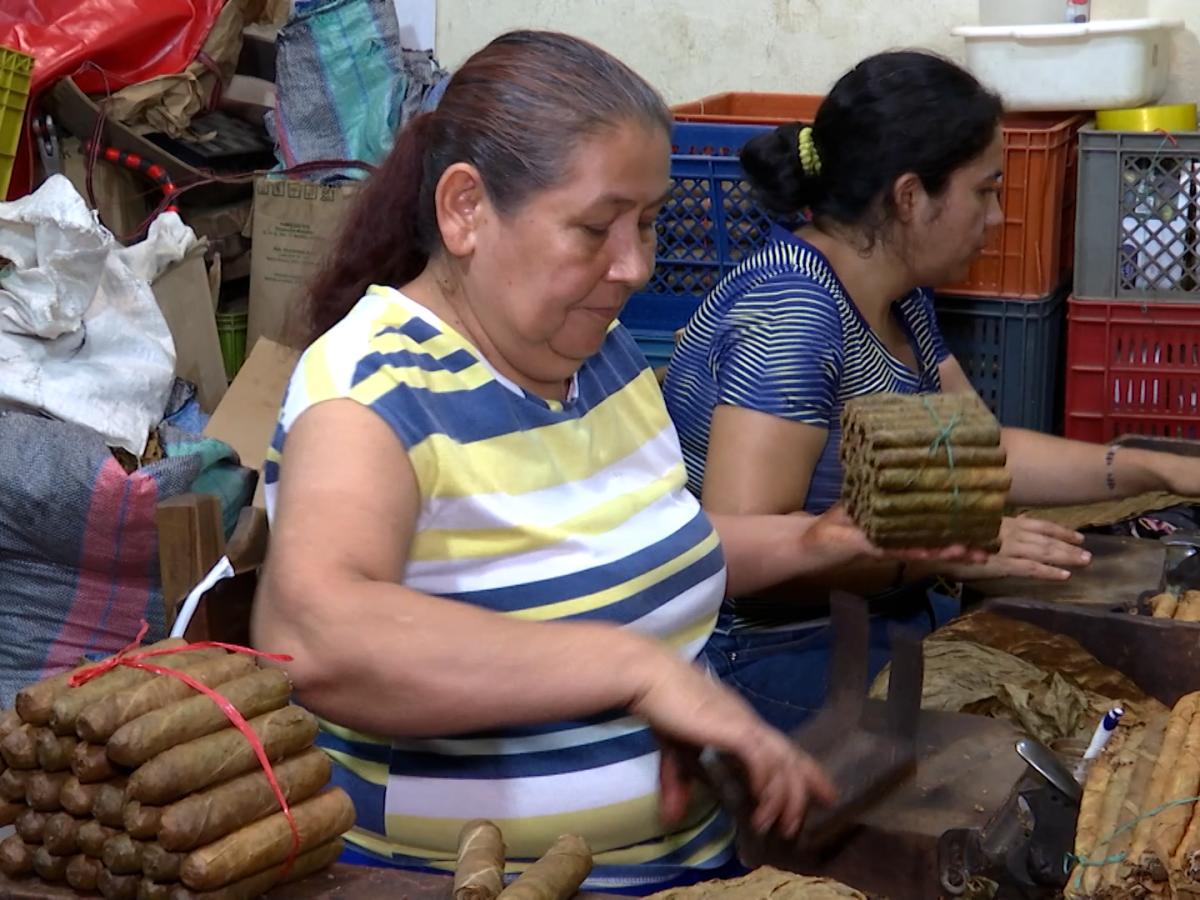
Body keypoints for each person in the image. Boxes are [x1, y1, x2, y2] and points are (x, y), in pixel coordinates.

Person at [250, 31, 976, 892]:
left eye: (650, 222)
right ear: (466, 209)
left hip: (696, 867)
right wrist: (637, 669)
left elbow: (630, 549)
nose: (635, 266)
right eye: (596, 228)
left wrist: (819, 541)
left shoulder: (604, 357)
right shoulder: (371, 385)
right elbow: (316, 636)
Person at [661, 50, 1200, 731]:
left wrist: (1151, 467)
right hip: (770, 654)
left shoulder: (899, 294)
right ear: (910, 197)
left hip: (878, 613)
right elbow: (740, 554)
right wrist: (943, 551)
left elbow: (979, 452)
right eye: (985, 191)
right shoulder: (793, 317)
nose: (997, 217)